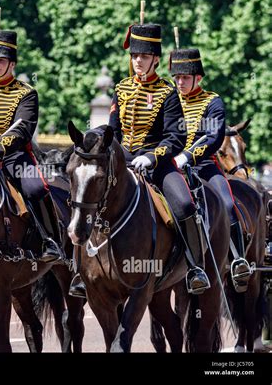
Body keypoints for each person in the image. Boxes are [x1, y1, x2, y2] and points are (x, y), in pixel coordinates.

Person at [72, 24, 211, 298]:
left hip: (158, 165)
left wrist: (150, 157)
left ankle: (196, 267)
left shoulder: (168, 93)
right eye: (135, 56)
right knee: (88, 197)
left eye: (144, 56)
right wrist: (94, 138)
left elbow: (175, 138)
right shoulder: (121, 89)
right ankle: (80, 270)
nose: (138, 61)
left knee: (184, 204)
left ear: (156, 59)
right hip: (123, 161)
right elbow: (113, 131)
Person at [0, 29, 63, 263]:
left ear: (12, 63)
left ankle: (50, 241)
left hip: (14, 158)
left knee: (36, 189)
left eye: (1, 60)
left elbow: (24, 128)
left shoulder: (26, 93)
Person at [170, 48, 251, 292]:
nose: (180, 82)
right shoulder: (169, 99)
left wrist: (188, 156)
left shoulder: (212, 101)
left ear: (198, 78)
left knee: (226, 203)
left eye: (185, 77)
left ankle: (238, 259)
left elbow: (214, 137)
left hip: (203, 165)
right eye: (177, 78)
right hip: (170, 164)